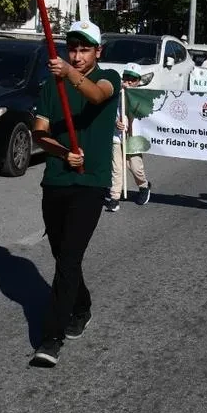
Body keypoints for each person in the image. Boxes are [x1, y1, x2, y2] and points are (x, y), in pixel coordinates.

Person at [30, 20, 121, 368]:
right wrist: (61, 152)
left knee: (69, 258)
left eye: (84, 49)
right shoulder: (51, 86)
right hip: (56, 180)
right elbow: (39, 132)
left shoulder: (108, 78)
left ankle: (51, 339)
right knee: (62, 256)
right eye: (72, 49)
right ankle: (82, 306)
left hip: (90, 182)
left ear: (98, 51)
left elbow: (97, 96)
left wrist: (69, 73)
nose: (77, 55)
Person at [107, 64, 151, 212]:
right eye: (126, 77)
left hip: (133, 137)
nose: (129, 81)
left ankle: (144, 186)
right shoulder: (116, 93)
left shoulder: (142, 95)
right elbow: (109, 110)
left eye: (133, 79)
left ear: (138, 81)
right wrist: (115, 122)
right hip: (117, 135)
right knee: (116, 168)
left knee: (135, 166)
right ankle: (114, 198)